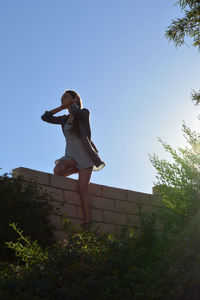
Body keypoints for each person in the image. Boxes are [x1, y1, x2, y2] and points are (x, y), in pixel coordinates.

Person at [41, 90, 106, 229]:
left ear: (74, 98)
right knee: (58, 170)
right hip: (70, 156)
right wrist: (61, 107)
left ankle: (88, 222)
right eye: (61, 97)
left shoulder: (84, 114)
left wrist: (75, 104)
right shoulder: (64, 119)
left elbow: (77, 113)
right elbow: (45, 117)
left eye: (65, 96)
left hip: (85, 156)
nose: (62, 98)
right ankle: (77, 167)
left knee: (82, 189)